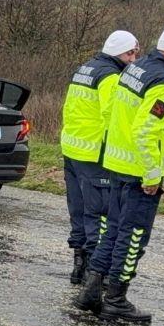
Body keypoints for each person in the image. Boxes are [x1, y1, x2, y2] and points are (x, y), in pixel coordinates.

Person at [77, 20, 164, 322]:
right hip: (138, 172)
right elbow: (146, 132)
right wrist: (152, 176)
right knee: (132, 238)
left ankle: (92, 291)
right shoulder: (160, 83)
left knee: (112, 232)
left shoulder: (137, 67)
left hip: (118, 164)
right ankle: (116, 299)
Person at [60, 30, 139, 285]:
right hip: (94, 153)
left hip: (72, 149)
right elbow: (111, 117)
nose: (133, 59)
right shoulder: (110, 77)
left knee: (78, 210)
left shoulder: (84, 69)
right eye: (130, 53)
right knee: (99, 214)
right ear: (117, 52)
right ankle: (96, 273)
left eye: (135, 53)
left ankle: (78, 266)